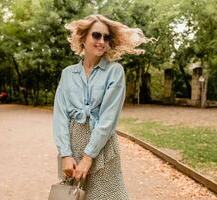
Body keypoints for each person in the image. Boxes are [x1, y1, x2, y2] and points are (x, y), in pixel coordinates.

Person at [53, 14, 149, 200]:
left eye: (106, 37)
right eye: (96, 35)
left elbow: (108, 119)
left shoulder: (115, 71)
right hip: (71, 150)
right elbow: (60, 116)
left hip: (102, 150)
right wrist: (65, 153)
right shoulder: (67, 74)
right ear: (83, 38)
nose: (102, 41)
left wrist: (89, 157)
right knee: (72, 197)